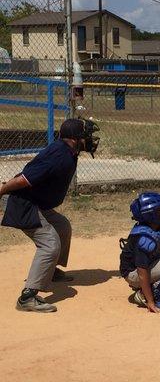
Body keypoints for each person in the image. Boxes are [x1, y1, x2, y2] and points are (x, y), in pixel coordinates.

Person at [0, 117, 100, 313]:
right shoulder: (59, 155)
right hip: (24, 205)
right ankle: (27, 297)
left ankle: (50, 271)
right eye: (86, 136)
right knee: (50, 244)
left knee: (62, 227)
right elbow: (25, 179)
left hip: (37, 204)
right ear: (74, 138)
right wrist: (2, 190)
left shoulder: (69, 152)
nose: (89, 139)